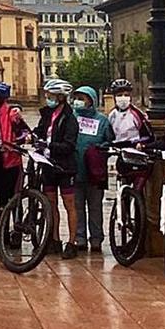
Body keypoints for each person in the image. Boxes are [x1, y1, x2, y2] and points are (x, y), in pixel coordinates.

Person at [34, 79, 79, 258]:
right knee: (50, 203)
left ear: (60, 97)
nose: (48, 98)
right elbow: (39, 130)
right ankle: (55, 239)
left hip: (65, 166)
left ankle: (72, 242)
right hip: (48, 164)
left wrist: (49, 145)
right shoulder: (47, 115)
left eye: (51, 96)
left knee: (69, 204)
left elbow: (69, 145)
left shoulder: (70, 119)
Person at [0, 81, 30, 245]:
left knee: (14, 197)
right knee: (1, 197)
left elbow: (24, 133)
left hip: (11, 159)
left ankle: (15, 233)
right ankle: (1, 233)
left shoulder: (12, 112)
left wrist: (11, 144)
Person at [73, 86, 114, 252]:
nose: (79, 101)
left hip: (95, 171)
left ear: (91, 100)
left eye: (83, 98)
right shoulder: (72, 118)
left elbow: (109, 141)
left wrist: (99, 150)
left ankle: (96, 238)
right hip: (75, 169)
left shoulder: (102, 120)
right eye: (78, 97)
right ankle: (80, 237)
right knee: (77, 206)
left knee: (95, 206)